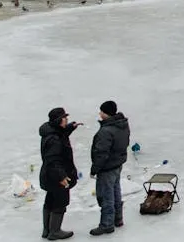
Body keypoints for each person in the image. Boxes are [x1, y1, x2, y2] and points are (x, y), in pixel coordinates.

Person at [89, 100, 131, 235]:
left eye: (101, 111)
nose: (99, 113)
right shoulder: (122, 125)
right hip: (118, 164)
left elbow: (101, 153)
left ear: (106, 113)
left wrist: (94, 169)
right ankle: (118, 219)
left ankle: (107, 224)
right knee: (115, 191)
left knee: (106, 196)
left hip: (107, 167)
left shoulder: (106, 131)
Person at [39, 107, 81, 239]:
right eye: (64, 118)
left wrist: (71, 127)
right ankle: (55, 231)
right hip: (57, 176)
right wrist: (62, 177)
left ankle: (47, 230)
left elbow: (61, 133)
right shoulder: (55, 140)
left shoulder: (52, 133)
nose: (66, 119)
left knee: (50, 200)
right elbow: (53, 160)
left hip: (49, 176)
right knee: (60, 202)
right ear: (59, 121)